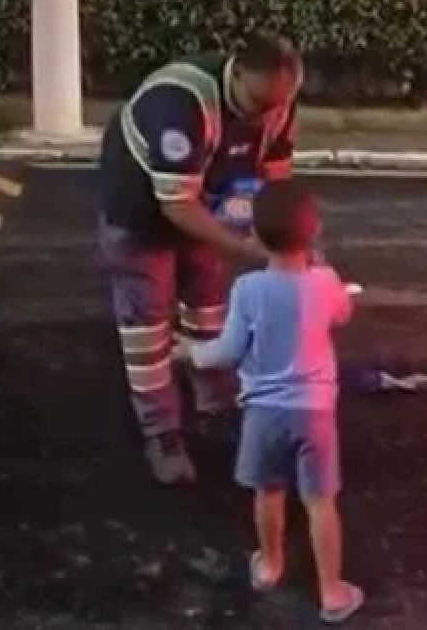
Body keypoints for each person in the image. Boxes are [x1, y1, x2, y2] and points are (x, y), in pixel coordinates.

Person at [97, 34, 302, 484]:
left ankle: (215, 403)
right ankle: (162, 434)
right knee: (147, 328)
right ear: (238, 73)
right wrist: (249, 249)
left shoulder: (276, 102)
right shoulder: (181, 100)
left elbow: (275, 178)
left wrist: (287, 235)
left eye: (279, 104)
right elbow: (176, 206)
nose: (268, 114)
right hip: (140, 214)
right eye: (259, 102)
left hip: (205, 200)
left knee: (209, 310)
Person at [177, 178, 365, 625]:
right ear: (315, 232)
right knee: (321, 501)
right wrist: (324, 268)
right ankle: (333, 592)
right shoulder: (324, 282)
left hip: (263, 411)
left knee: (269, 491)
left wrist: (191, 352)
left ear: (256, 237)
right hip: (315, 412)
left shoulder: (248, 290)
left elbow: (227, 351)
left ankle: (270, 565)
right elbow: (343, 311)